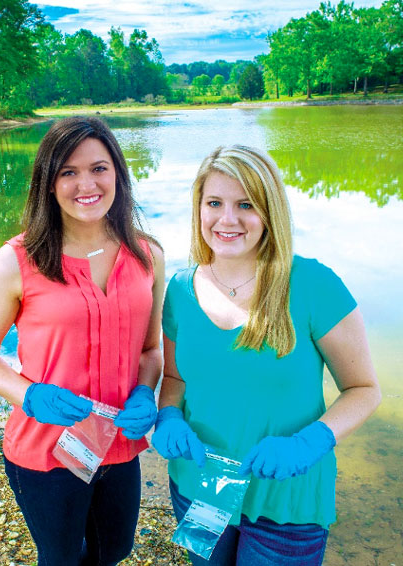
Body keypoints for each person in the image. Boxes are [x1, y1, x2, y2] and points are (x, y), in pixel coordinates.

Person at [153, 145, 381, 566]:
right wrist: (168, 416)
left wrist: (310, 442)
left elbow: (363, 389)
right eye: (214, 203)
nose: (227, 219)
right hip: (199, 486)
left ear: (270, 211)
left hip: (287, 501)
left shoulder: (313, 284)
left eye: (246, 204)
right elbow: (175, 379)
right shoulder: (180, 290)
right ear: (198, 208)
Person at [0, 116, 165, 566]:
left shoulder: (147, 254)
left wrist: (144, 391)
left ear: (118, 173)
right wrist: (29, 395)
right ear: (48, 183)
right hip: (46, 451)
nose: (86, 184)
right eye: (68, 172)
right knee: (60, 558)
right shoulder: (14, 261)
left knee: (114, 550)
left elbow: (150, 350)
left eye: (99, 168)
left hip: (120, 444)